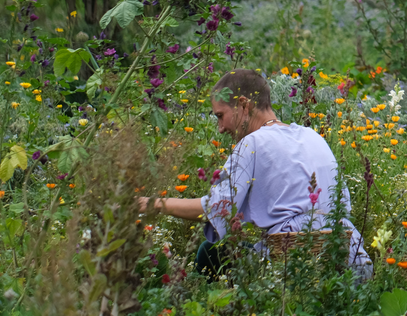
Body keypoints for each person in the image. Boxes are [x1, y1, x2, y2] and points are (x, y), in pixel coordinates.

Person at [138, 69, 372, 279]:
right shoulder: (313, 136)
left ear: (243, 105)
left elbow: (217, 208)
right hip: (352, 256)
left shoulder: (253, 143)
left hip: (296, 262)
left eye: (221, 115)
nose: (220, 128)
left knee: (209, 253)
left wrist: (155, 204)